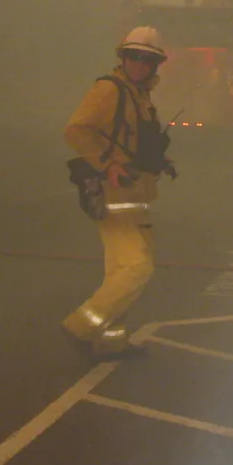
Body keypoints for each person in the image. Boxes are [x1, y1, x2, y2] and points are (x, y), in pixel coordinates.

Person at [62, 26, 175, 357]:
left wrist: (158, 159)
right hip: (115, 195)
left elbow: (132, 139)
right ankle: (79, 327)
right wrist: (108, 164)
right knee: (138, 268)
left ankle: (110, 341)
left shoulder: (140, 95)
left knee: (120, 271)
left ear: (156, 65)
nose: (140, 64)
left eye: (147, 59)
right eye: (133, 57)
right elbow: (76, 130)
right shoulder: (110, 90)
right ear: (123, 57)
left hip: (136, 195)